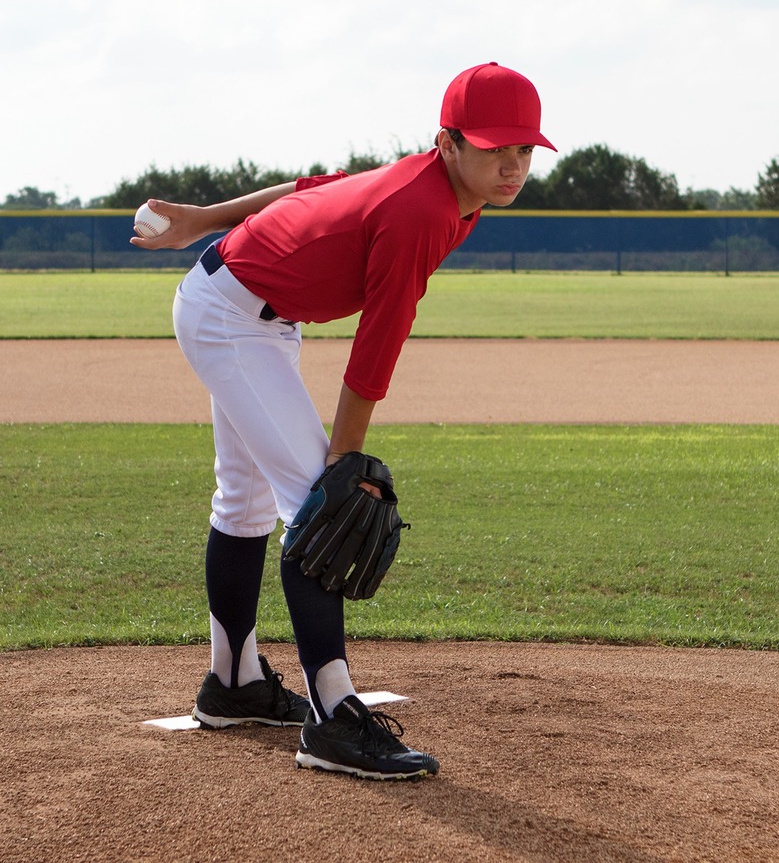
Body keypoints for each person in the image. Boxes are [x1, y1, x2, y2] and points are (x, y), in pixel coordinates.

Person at [132, 62, 556, 780]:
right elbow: (375, 349)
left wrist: (204, 220)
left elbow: (311, 190)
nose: (511, 165)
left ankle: (232, 685)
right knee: (317, 511)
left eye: (523, 151)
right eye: (493, 149)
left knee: (247, 502)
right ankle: (332, 717)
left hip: (247, 310)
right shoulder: (424, 209)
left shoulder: (444, 188)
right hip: (232, 320)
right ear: (447, 143)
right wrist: (342, 466)